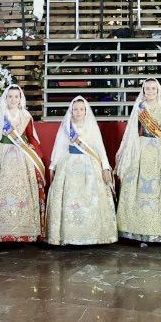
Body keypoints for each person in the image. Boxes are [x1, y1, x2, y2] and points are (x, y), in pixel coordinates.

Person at [114, 79, 161, 243]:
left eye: (153, 88)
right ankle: (135, 229)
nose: (150, 91)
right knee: (135, 185)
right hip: (142, 147)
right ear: (143, 90)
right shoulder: (139, 107)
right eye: (147, 89)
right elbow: (131, 131)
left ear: (158, 90)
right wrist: (126, 153)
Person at [0, 84, 46, 243]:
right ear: (5, 98)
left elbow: (32, 138)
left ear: (20, 98)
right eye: (10, 96)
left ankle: (23, 231)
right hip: (0, 155)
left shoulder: (26, 116)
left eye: (16, 96)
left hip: (21, 157)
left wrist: (40, 157)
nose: (13, 99)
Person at [45, 95, 117, 246]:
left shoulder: (91, 126)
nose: (78, 112)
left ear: (86, 111)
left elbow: (99, 147)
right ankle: (69, 235)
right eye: (75, 109)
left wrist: (105, 167)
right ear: (71, 111)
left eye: (81, 109)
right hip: (69, 163)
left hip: (90, 165)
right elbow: (59, 146)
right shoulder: (67, 126)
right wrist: (53, 165)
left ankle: (92, 235)